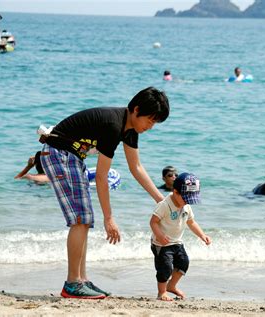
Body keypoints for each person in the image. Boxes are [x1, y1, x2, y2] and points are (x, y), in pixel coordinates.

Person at [39, 87, 169, 299]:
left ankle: (81, 280)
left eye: (155, 123)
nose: (150, 127)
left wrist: (162, 200)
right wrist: (109, 218)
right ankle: (72, 284)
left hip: (71, 156)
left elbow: (136, 168)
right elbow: (101, 176)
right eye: (150, 120)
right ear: (136, 110)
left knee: (85, 219)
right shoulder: (113, 125)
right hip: (59, 154)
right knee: (80, 219)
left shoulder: (129, 130)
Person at [150, 172, 212, 301]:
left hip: (177, 242)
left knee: (184, 263)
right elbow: (153, 222)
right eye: (186, 198)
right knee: (165, 268)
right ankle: (161, 292)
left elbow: (191, 222)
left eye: (190, 199)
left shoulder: (186, 206)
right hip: (162, 244)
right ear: (176, 192)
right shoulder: (165, 205)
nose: (187, 202)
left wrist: (202, 235)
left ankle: (171, 286)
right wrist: (160, 235)